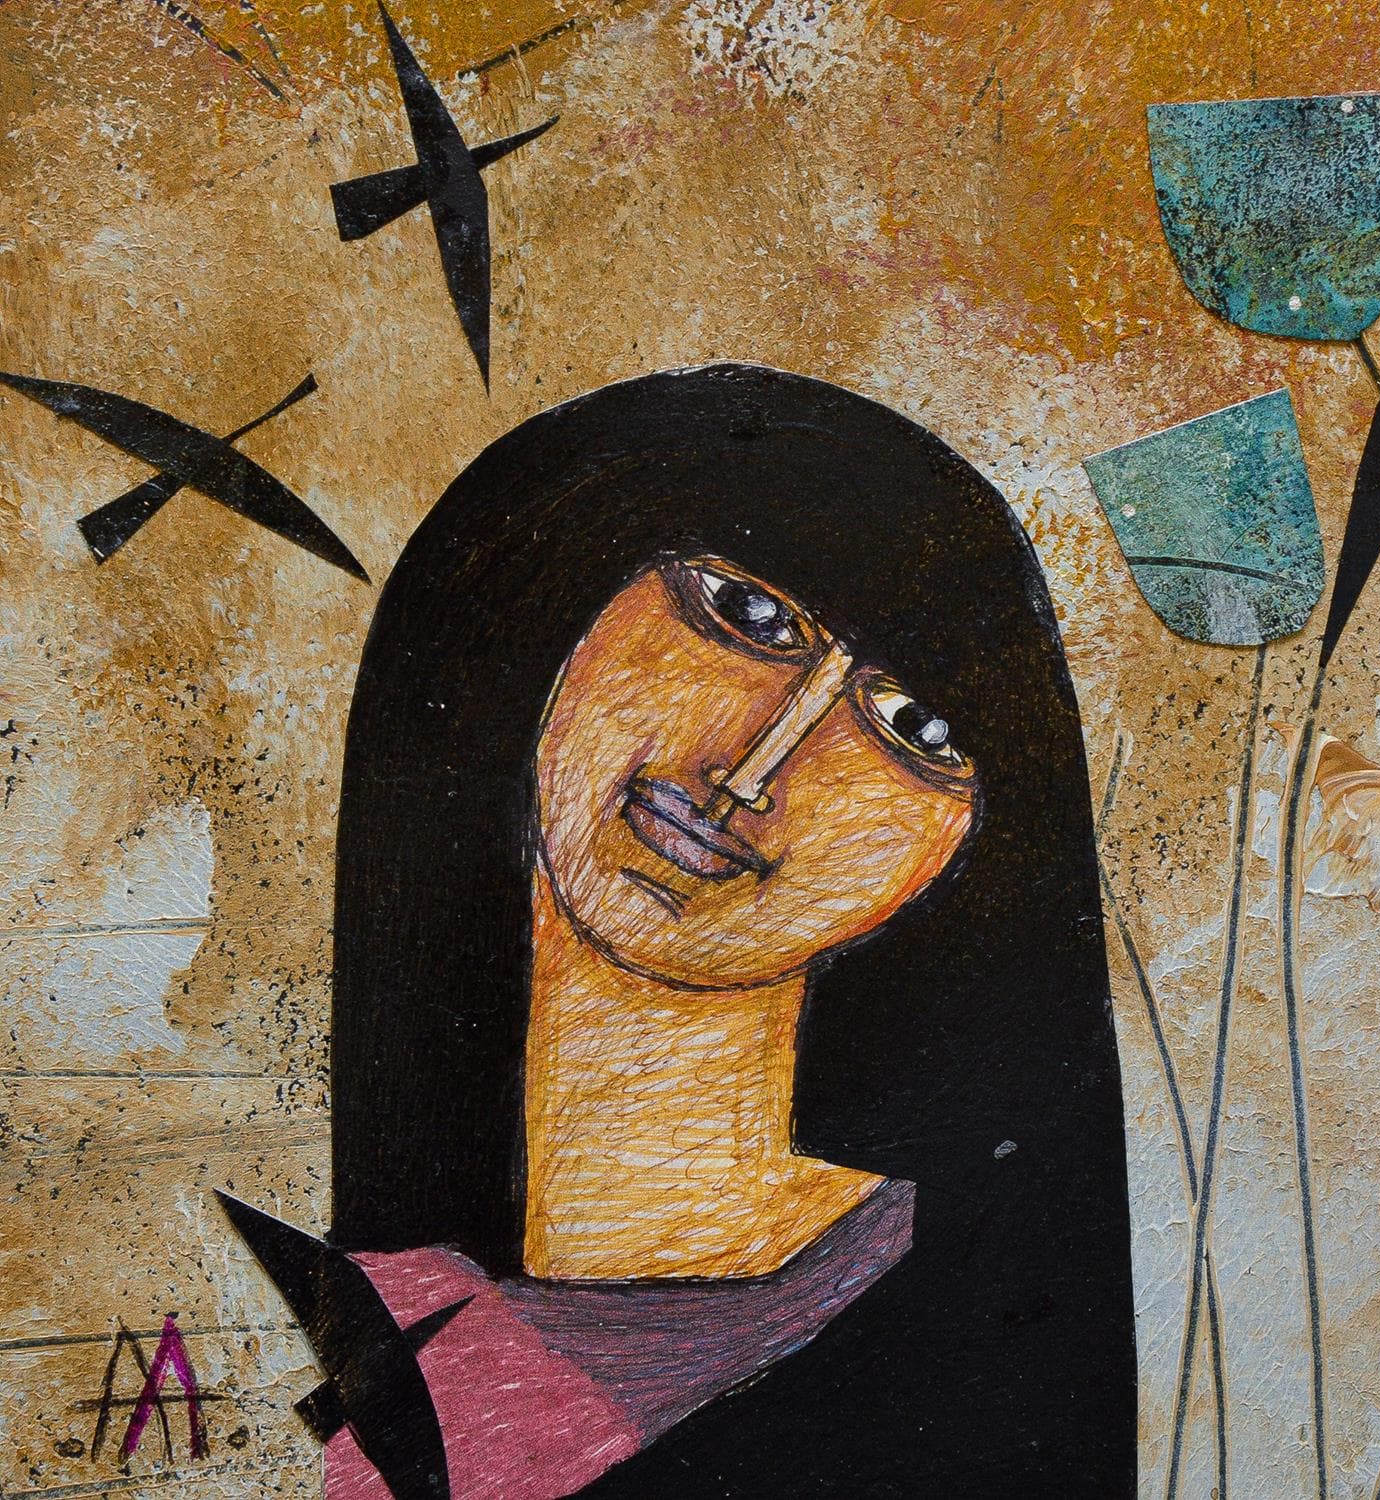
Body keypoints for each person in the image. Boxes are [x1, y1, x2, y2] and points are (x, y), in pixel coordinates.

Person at [330, 363, 1137, 1495]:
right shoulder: (274, 1248)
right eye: (747, 617)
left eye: (913, 727)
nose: (752, 771)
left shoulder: (988, 1334)